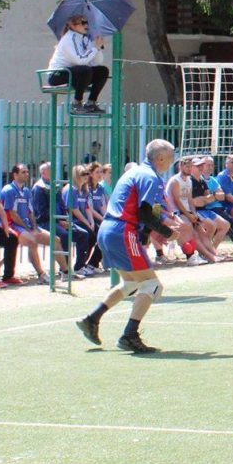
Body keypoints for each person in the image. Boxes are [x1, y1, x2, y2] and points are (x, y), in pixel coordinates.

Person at [75, 140, 181, 353]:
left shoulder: (136, 172)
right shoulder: (151, 177)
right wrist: (167, 233)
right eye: (171, 157)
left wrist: (149, 232)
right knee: (152, 285)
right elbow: (145, 213)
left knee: (131, 283)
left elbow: (145, 209)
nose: (172, 161)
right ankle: (129, 335)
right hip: (123, 231)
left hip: (109, 230)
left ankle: (91, 319)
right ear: (161, 158)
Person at [47, 14, 109, 115]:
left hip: (75, 74)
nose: (86, 25)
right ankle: (77, 103)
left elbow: (96, 62)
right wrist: (94, 49)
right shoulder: (68, 39)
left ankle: (91, 103)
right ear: (72, 25)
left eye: (87, 23)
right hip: (57, 75)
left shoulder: (85, 39)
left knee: (102, 70)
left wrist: (98, 48)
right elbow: (79, 61)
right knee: (85, 70)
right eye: (83, 23)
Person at [0, 164, 49, 281]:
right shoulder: (8, 190)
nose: (27, 174)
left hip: (25, 225)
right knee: (32, 241)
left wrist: (34, 227)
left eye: (27, 172)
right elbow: (12, 214)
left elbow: (30, 212)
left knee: (55, 240)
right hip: (11, 225)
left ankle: (65, 271)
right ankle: (41, 274)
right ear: (15, 174)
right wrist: (27, 229)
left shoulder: (26, 191)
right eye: (23, 172)